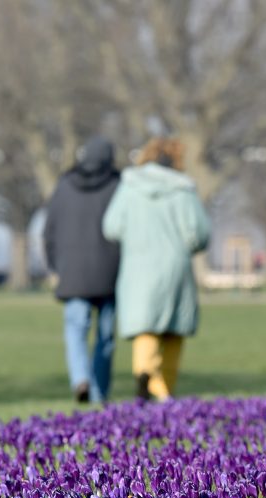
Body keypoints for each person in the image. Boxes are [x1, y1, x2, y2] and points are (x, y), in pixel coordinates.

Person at [102, 138, 210, 401]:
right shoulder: (183, 190)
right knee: (174, 330)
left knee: (145, 326)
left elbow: (112, 226)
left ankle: (144, 374)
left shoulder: (129, 187)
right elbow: (198, 235)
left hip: (138, 266)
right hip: (175, 265)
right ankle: (165, 392)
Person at [43, 136, 121, 404]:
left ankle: (81, 379)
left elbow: (49, 230)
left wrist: (56, 265)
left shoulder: (64, 185)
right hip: (111, 272)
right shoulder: (117, 185)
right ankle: (100, 392)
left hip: (72, 272)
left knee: (75, 329)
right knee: (106, 335)